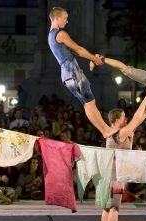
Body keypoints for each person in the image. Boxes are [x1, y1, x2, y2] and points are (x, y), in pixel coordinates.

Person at [48, 7, 115, 138]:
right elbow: (78, 49)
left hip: (67, 73)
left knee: (88, 103)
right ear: (57, 18)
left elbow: (71, 51)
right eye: (65, 18)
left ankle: (105, 130)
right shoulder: (60, 34)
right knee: (89, 103)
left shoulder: (51, 35)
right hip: (72, 71)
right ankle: (105, 130)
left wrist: (91, 58)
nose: (67, 21)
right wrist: (95, 59)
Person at [100, 87, 146, 221]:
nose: (126, 119)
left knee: (107, 208)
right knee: (115, 207)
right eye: (123, 117)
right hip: (115, 174)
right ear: (116, 120)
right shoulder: (118, 133)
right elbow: (137, 119)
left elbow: (126, 151)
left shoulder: (114, 133)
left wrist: (132, 138)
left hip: (111, 172)